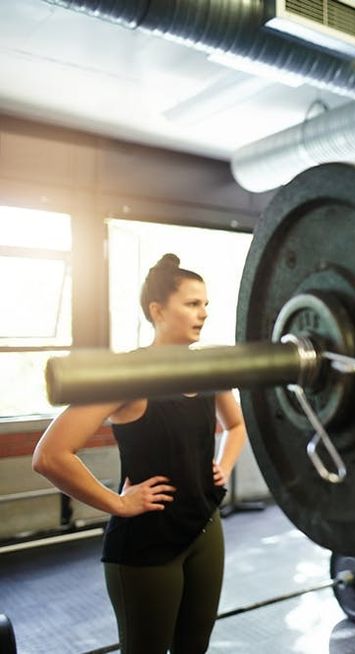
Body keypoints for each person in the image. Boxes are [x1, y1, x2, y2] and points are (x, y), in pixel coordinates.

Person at [33, 254, 247, 653]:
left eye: (205, 305)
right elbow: (50, 454)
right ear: (157, 310)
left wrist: (223, 464)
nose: (202, 314)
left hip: (204, 524)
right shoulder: (127, 375)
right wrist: (118, 503)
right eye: (191, 304)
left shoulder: (210, 369)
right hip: (147, 540)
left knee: (194, 646)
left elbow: (236, 425)